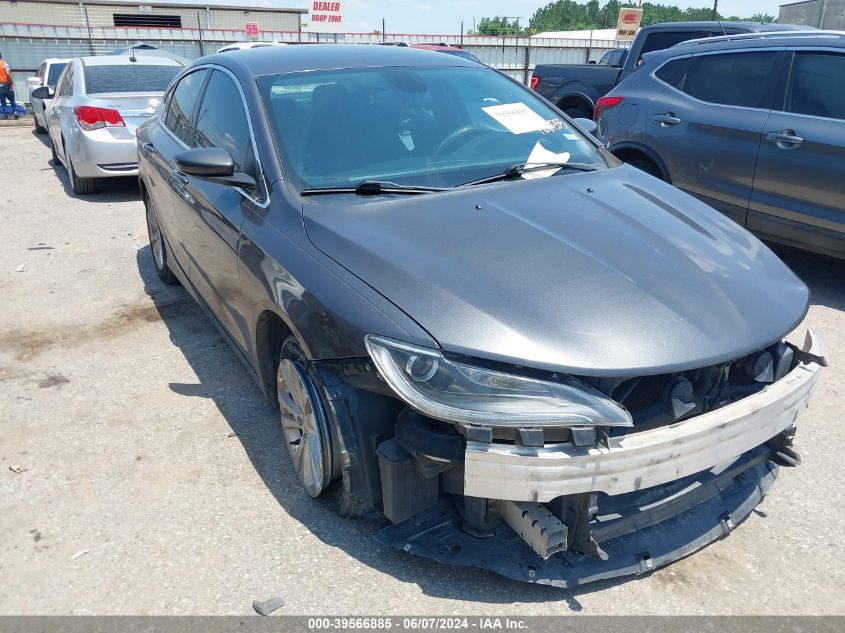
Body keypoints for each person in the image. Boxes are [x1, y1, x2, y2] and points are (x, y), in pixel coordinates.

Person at [0, 51, 20, 120]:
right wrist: (11, 83)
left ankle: (6, 114)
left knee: (3, 101)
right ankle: (15, 112)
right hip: (7, 85)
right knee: (12, 99)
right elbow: (8, 74)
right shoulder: (4, 64)